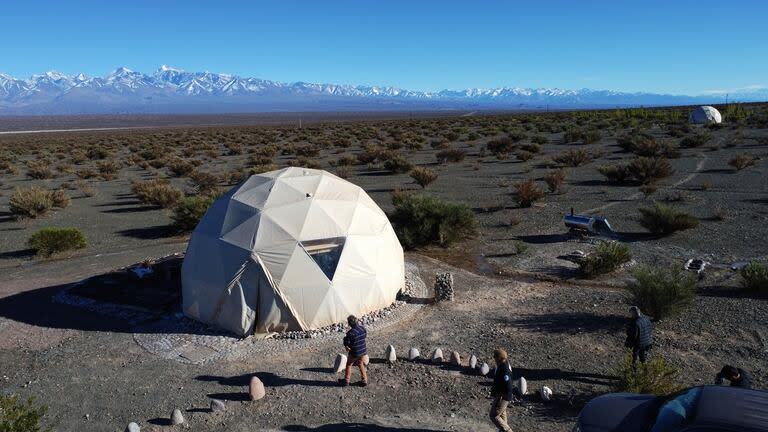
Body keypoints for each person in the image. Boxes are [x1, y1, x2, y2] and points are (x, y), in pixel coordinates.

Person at [340, 315, 368, 387]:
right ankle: (364, 380)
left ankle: (346, 381)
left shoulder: (350, 333)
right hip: (363, 351)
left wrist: (345, 340)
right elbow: (364, 336)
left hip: (354, 352)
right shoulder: (362, 329)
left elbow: (346, 343)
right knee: (360, 364)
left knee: (349, 364)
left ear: (349, 323)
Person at [489, 349, 514, 432]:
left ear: (499, 357)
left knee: (494, 415)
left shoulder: (504, 368)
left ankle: (508, 431)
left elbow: (508, 385)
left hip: (502, 396)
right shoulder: (503, 365)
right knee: (502, 414)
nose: (494, 358)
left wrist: (501, 394)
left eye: (495, 356)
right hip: (502, 395)